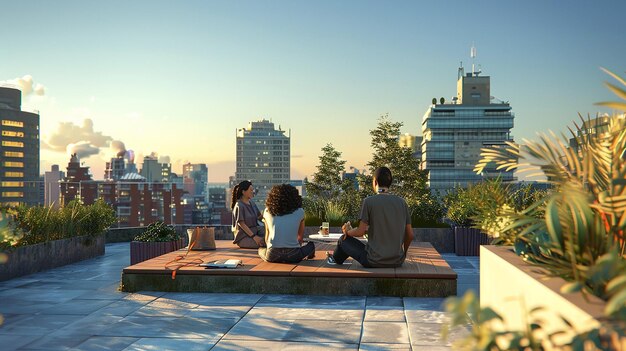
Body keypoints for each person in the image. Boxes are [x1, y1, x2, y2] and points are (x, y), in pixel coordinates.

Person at [327, 166, 414, 267]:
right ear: (390, 183)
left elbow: (360, 232)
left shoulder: (369, 202)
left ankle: (335, 259)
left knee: (343, 240)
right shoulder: (402, 203)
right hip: (397, 261)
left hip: (373, 260)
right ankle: (335, 258)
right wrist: (404, 254)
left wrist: (347, 232)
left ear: (375, 182)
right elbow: (410, 235)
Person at [258, 184, 315, 263]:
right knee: (311, 245)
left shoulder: (267, 211)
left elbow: (267, 236)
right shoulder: (300, 211)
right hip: (294, 254)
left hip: (272, 254)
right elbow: (300, 238)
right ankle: (308, 256)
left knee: (260, 250)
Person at [231, 180, 266, 249]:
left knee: (272, 238)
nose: (252, 191)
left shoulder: (252, 203)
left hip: (256, 231)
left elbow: (259, 217)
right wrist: (254, 237)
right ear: (243, 192)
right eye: (250, 190)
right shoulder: (239, 205)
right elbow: (241, 224)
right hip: (244, 237)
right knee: (264, 243)